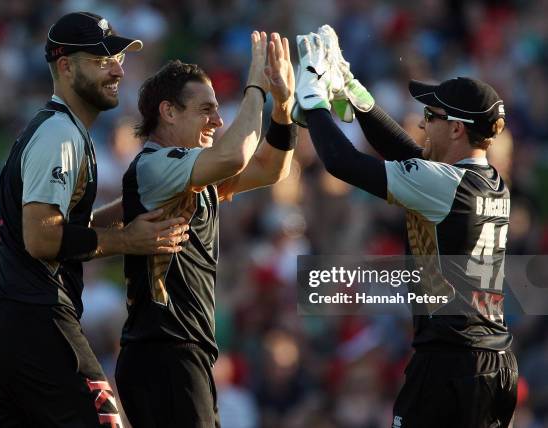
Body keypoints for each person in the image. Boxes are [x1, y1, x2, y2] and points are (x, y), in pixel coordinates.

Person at [0, 12, 189, 427]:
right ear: (66, 65)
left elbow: (54, 228)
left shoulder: (59, 130)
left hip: (6, 322)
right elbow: (41, 238)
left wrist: (129, 208)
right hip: (34, 317)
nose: (117, 68)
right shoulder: (60, 134)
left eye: (118, 57)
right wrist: (132, 240)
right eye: (102, 58)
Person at [293, 26, 517, 427]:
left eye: (431, 116)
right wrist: (352, 90)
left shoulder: (443, 184)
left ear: (456, 129)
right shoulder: (489, 181)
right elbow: (408, 153)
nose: (421, 123)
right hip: (494, 362)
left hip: (451, 363)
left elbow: (342, 163)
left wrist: (312, 99)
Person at [115, 31, 296, 427]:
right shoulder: (157, 165)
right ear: (169, 111)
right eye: (206, 110)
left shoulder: (187, 172)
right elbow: (234, 154)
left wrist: (284, 105)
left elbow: (270, 168)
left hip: (181, 352)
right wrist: (256, 86)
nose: (217, 121)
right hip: (163, 351)